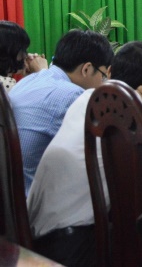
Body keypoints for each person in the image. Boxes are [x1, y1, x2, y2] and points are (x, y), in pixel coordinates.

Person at [27, 41, 142, 267]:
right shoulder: (136, 119)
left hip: (37, 234)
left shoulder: (86, 98)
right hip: (74, 247)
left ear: (111, 71)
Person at [10, 29, 113, 195]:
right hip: (32, 201)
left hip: (11, 195)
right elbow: (107, 148)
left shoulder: (27, 81)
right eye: (103, 76)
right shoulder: (74, 96)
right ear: (87, 69)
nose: (103, 83)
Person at [0, 21, 48, 92]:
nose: (25, 55)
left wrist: (30, 77)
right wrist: (42, 73)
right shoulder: (5, 84)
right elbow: (45, 96)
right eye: (22, 50)